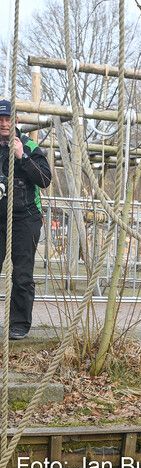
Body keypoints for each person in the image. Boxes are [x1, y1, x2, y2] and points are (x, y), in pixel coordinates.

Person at [0, 99, 52, 340]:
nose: (3, 123)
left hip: (25, 218)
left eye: (8, 119)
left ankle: (19, 323)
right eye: (0, 119)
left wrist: (22, 156)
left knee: (22, 274)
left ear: (16, 121)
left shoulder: (30, 146)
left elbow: (44, 179)